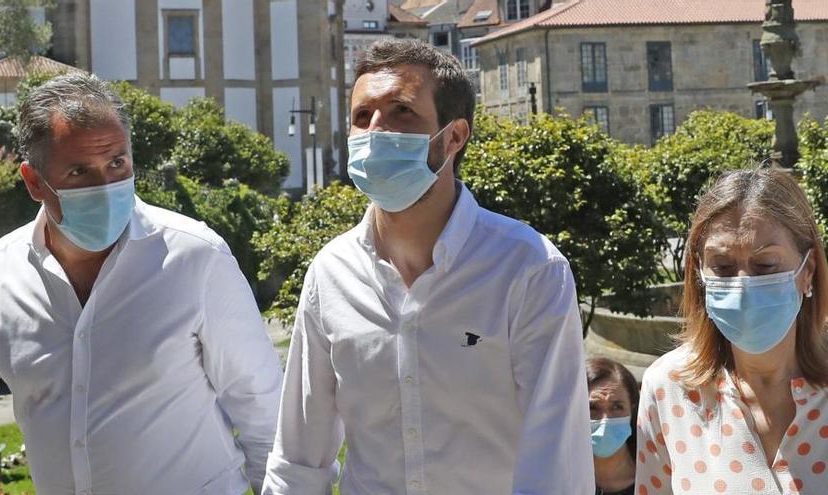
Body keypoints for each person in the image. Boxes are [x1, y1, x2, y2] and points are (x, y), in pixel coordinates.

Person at [261, 39, 593, 494]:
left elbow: (557, 461)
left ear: (454, 136)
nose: (376, 130)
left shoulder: (528, 268)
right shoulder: (330, 273)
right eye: (363, 117)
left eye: (401, 112)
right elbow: (299, 457)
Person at [0, 74, 283, 494]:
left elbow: (265, 417)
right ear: (34, 181)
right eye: (79, 171)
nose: (106, 188)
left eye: (117, 164)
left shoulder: (195, 258)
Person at [636, 168, 828, 494]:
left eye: (765, 265)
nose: (742, 284)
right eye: (723, 267)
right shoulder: (667, 388)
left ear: (807, 271)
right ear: (699, 273)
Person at [588, 357, 638, 495]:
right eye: (592, 408)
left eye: (617, 407)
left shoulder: (654, 477)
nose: (605, 420)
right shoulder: (559, 477)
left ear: (632, 409)